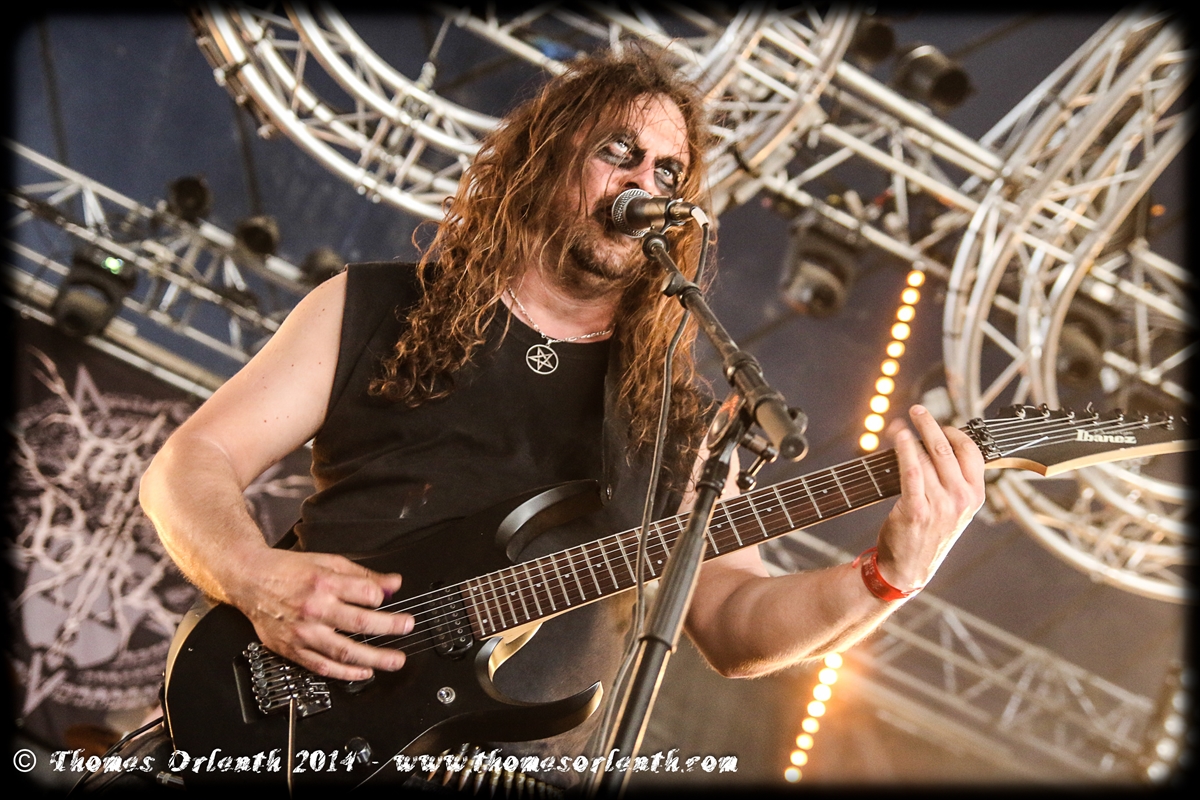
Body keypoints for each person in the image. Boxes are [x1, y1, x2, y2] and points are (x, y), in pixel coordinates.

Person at [137, 48, 985, 793]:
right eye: (620, 152)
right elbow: (191, 460)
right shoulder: (374, 307)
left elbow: (734, 623)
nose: (644, 183)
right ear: (544, 159)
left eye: (668, 174)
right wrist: (253, 575)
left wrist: (889, 575)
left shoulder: (676, 421)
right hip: (287, 726)